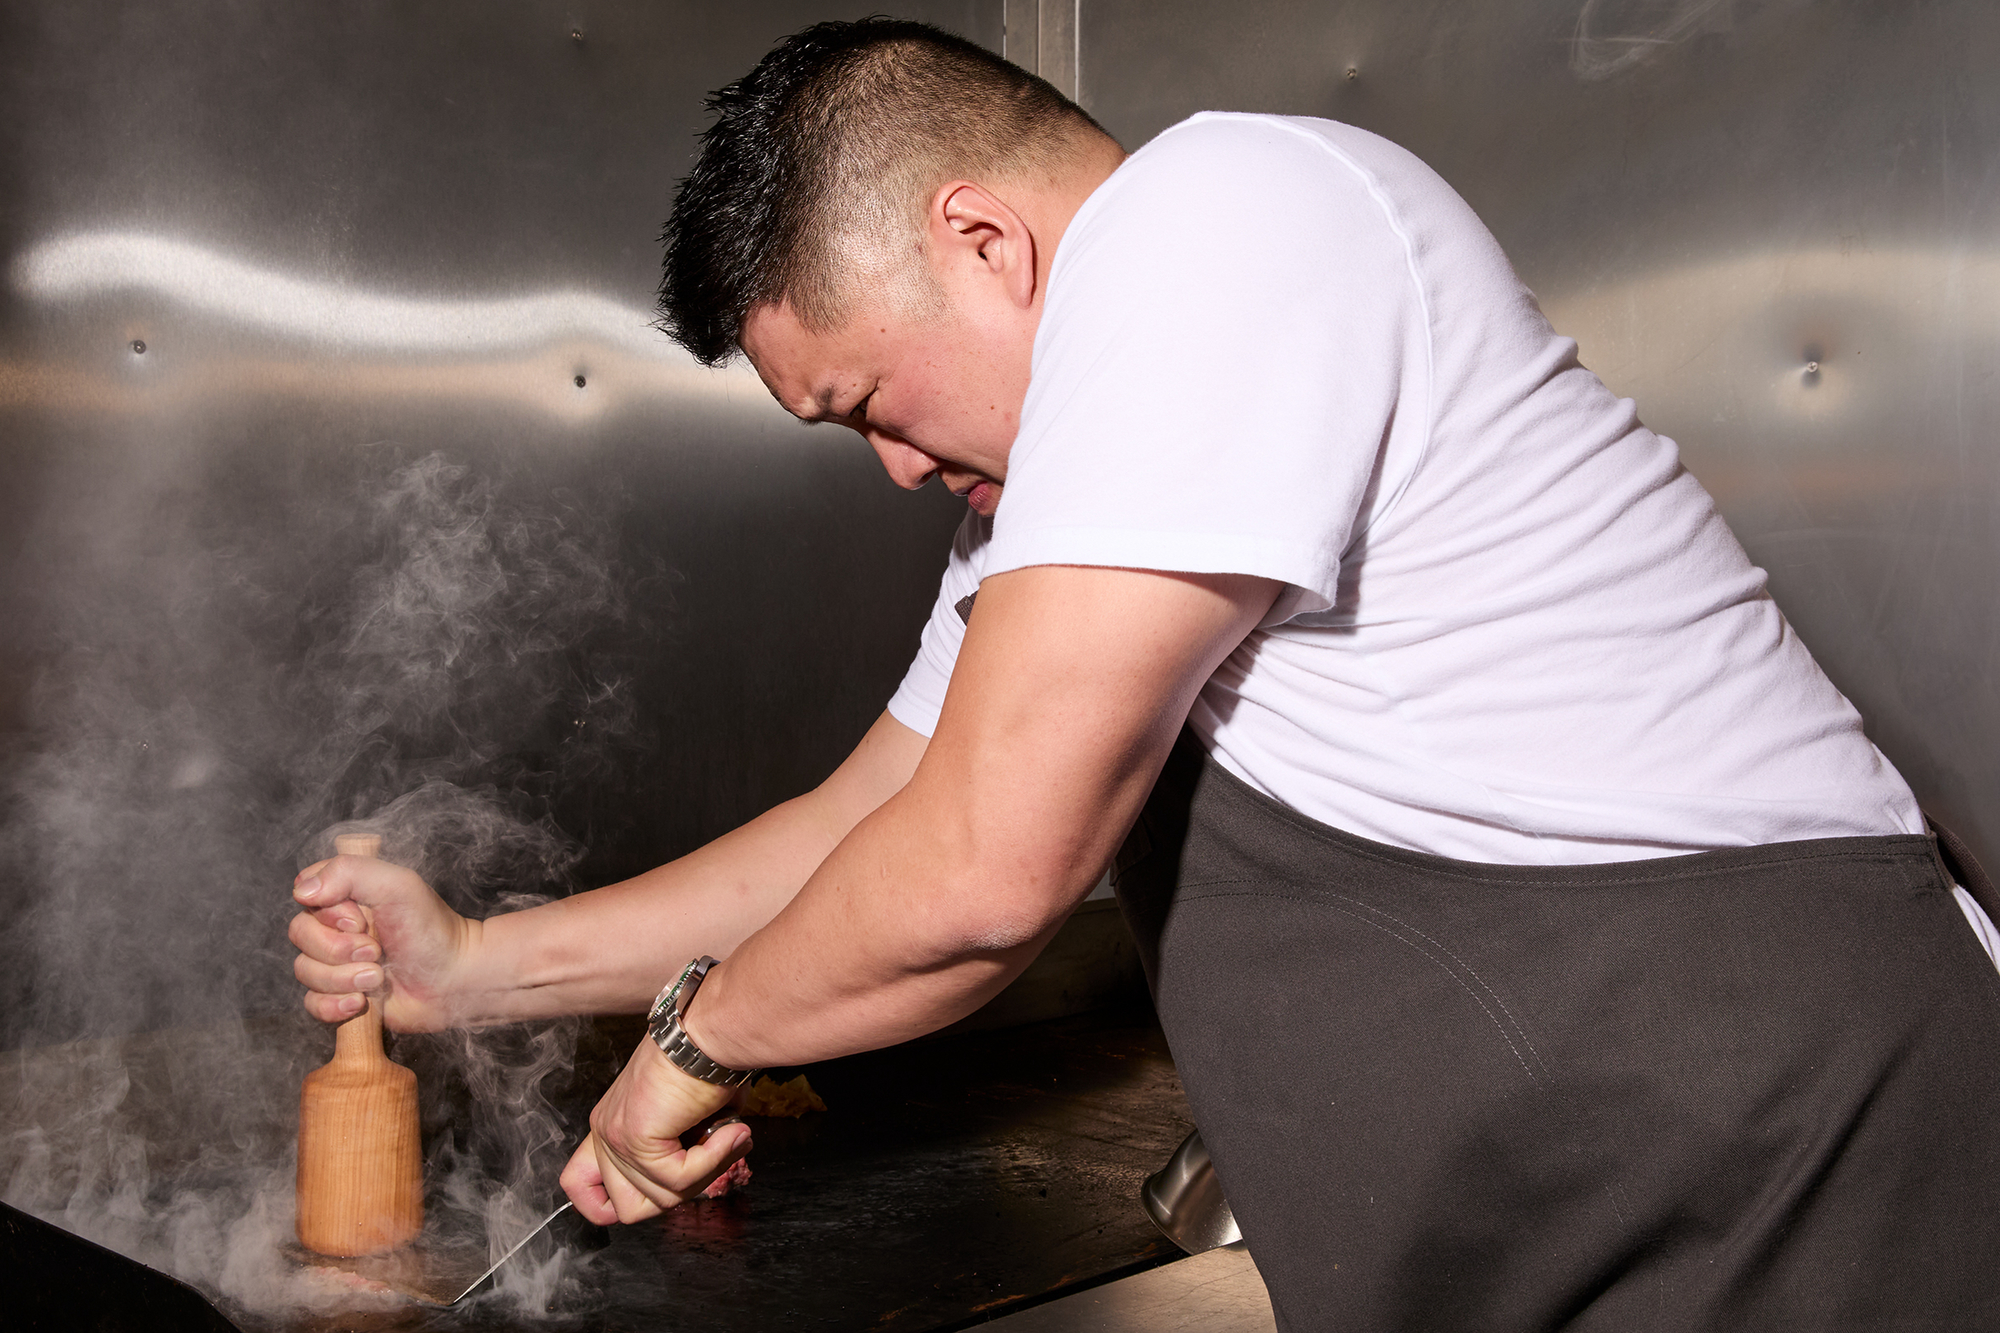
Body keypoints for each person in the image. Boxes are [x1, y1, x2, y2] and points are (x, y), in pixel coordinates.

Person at [288, 18, 2000, 1330]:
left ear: (982, 239)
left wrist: (700, 1038)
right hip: (1591, 1215)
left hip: (1791, 1173)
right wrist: (475, 971)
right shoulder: (1068, 487)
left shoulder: (1218, 219)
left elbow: (974, 874)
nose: (890, 469)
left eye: (873, 402)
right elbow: (871, 820)